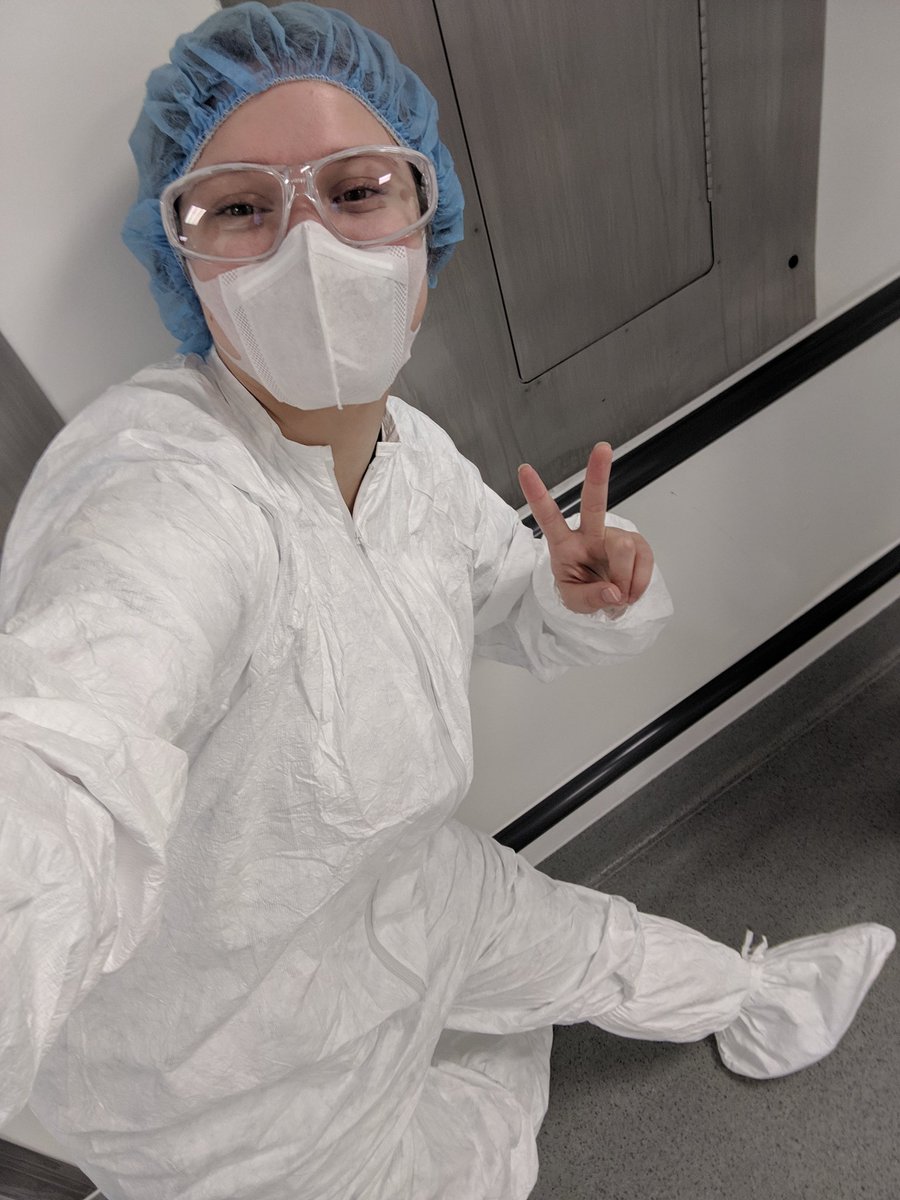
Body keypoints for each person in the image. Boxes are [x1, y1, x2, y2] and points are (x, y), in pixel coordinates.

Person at [0, 4, 893, 1198]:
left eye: (355, 191)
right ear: (185, 262)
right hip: (229, 1081)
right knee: (469, 1161)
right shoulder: (157, 486)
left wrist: (578, 595)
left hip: (403, 885)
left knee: (585, 939)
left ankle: (756, 997)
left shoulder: (408, 453)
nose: (309, 247)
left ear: (426, 230)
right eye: (243, 208)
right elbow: (62, 755)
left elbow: (500, 599)